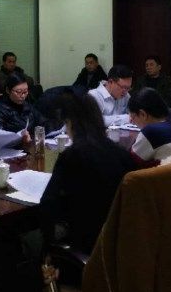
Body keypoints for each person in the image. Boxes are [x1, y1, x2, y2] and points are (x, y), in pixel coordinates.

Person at [40, 93, 136, 256]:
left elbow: (48, 204)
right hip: (120, 241)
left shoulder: (72, 155)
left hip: (85, 241)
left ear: (71, 123)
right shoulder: (122, 153)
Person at [0, 73, 43, 144]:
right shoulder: (1, 108)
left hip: (29, 145)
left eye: (25, 92)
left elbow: (42, 121)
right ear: (8, 90)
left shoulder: (26, 104)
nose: (23, 96)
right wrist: (20, 138)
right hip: (11, 148)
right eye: (19, 92)